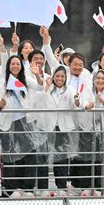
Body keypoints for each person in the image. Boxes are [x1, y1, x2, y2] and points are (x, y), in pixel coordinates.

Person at [0, 55, 44, 198]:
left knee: (30, 154)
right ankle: (12, 188)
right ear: (8, 66)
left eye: (18, 64)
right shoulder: (1, 83)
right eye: (12, 64)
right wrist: (1, 105)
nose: (15, 66)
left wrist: (37, 75)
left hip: (25, 121)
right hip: (7, 122)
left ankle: (28, 188)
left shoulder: (24, 80)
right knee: (11, 154)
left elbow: (40, 87)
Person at [35, 65, 81, 197]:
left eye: (62, 76)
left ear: (65, 78)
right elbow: (39, 101)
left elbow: (75, 102)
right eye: (57, 76)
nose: (59, 78)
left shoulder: (70, 89)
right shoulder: (47, 87)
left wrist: (77, 101)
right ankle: (43, 188)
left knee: (61, 158)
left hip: (62, 127)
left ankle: (61, 187)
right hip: (47, 126)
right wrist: (46, 87)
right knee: (44, 157)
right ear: (53, 77)